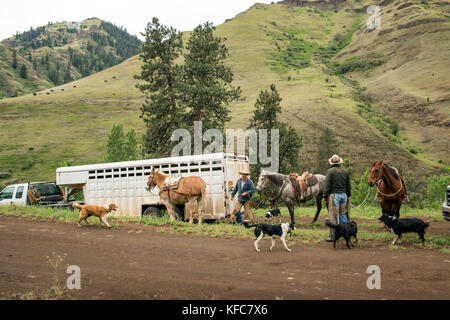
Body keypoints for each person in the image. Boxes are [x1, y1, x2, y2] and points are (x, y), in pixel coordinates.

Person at [323, 154, 351, 242]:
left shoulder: (330, 171)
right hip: (344, 196)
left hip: (334, 196)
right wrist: (348, 195)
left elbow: (327, 185)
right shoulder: (345, 172)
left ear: (332, 163)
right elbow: (348, 185)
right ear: (340, 162)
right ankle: (347, 234)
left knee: (333, 217)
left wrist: (325, 196)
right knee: (343, 215)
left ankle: (333, 236)